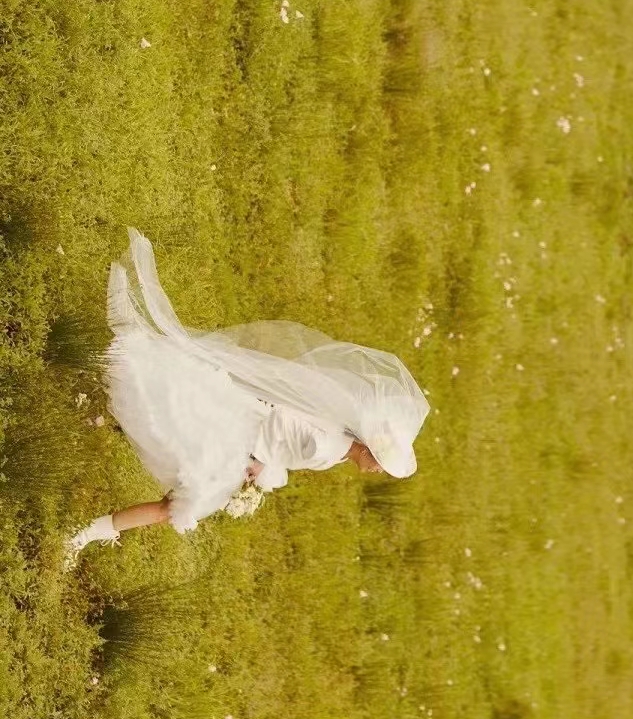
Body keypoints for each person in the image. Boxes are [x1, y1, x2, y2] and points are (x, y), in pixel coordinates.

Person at [66, 229, 429, 562]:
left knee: (175, 500)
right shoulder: (325, 446)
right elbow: (278, 421)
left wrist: (258, 466)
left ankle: (92, 530)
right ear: (368, 449)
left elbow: (283, 433)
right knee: (175, 500)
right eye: (381, 463)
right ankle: (86, 532)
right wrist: (253, 462)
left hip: (238, 442)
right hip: (230, 439)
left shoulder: (336, 449)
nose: (377, 470)